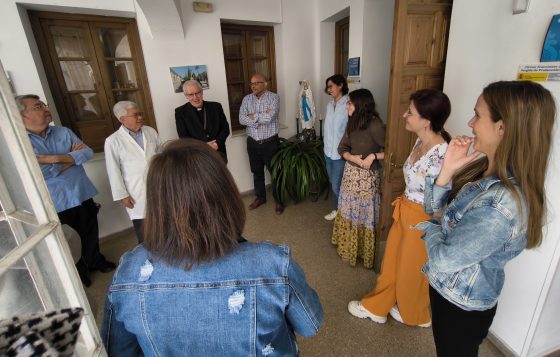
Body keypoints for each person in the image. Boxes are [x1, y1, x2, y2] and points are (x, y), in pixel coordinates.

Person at [101, 139, 323, 356]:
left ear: (157, 204)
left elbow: (118, 349)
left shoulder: (129, 273)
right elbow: (310, 325)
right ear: (227, 195)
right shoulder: (273, 264)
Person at [419, 81, 555, 356]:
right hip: (448, 293)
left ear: (502, 127)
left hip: (460, 306)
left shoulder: (501, 204)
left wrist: (434, 222)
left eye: (477, 115)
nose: (470, 123)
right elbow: (432, 209)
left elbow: (443, 258)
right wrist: (446, 172)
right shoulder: (483, 169)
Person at [348, 89, 451, 327]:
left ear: (426, 121)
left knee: (411, 268)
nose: (404, 115)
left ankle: (415, 313)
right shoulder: (420, 141)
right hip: (405, 209)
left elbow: (438, 201)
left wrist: (432, 232)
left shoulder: (441, 154)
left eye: (410, 112)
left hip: (422, 217)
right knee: (392, 261)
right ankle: (378, 306)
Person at [16, 94, 115, 287]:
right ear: (22, 115)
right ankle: (78, 272)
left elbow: (86, 152)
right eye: (38, 106)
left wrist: (49, 159)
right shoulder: (20, 143)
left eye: (44, 104)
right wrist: (69, 159)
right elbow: (34, 174)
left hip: (81, 192)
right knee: (67, 240)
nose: (46, 108)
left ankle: (95, 261)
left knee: (89, 231)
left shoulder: (63, 132)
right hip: (55, 201)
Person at [331, 89, 386, 268]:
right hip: (350, 175)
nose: (347, 106)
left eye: (350, 103)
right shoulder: (352, 123)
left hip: (367, 179)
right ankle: (349, 249)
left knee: (363, 215)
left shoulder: (375, 125)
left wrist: (374, 157)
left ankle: (364, 253)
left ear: (360, 105)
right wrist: (352, 157)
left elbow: (392, 151)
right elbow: (342, 148)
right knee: (349, 211)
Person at [104, 101, 162, 243]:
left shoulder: (150, 131)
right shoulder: (113, 141)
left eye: (140, 113)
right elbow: (113, 171)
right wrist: (122, 195)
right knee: (144, 229)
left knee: (164, 222)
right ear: (122, 119)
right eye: (135, 115)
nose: (140, 117)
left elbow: (162, 155)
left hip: (159, 185)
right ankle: (148, 259)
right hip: (136, 191)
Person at [239, 73, 284, 214]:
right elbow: (241, 119)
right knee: (256, 171)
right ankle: (260, 197)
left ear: (265, 83)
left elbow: (269, 118)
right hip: (252, 143)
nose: (253, 86)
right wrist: (260, 116)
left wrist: (252, 116)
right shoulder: (247, 99)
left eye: (257, 83)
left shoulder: (274, 98)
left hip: (270, 143)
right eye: (251, 83)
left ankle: (279, 201)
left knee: (275, 173)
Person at [175, 80, 230, 162]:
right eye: (190, 94)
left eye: (197, 93)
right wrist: (203, 146)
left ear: (202, 92)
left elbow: (225, 129)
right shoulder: (180, 112)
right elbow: (184, 138)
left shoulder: (216, 106)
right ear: (186, 96)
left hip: (218, 153)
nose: (195, 97)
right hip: (197, 157)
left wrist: (216, 143)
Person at [322, 74, 349, 221]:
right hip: (328, 151)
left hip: (340, 153)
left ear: (341, 85)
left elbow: (350, 129)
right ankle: (337, 209)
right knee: (333, 182)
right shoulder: (329, 104)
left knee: (337, 185)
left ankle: (342, 214)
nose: (329, 89)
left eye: (331, 86)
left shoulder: (348, 104)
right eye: (328, 87)